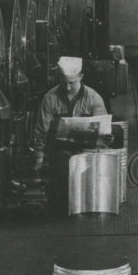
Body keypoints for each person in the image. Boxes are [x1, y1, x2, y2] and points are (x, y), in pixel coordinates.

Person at [32, 56, 109, 213]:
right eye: (63, 82)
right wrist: (38, 158)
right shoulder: (50, 99)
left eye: (72, 83)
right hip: (60, 151)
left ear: (81, 76)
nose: (67, 87)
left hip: (87, 151)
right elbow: (41, 131)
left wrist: (103, 139)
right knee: (63, 164)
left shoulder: (94, 99)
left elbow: (103, 129)